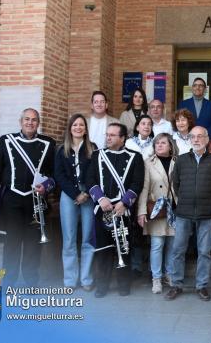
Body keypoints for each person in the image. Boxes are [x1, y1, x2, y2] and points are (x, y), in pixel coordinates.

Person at [0, 108, 56, 286]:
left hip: (35, 200)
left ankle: (31, 281)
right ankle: (8, 282)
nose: (30, 123)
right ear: (21, 121)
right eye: (27, 119)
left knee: (33, 244)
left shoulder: (48, 143)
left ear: (38, 123)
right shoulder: (6, 141)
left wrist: (46, 186)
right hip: (12, 200)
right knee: (12, 242)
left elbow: (54, 174)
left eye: (34, 120)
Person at [165, 126, 211, 302]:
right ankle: (176, 285)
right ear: (190, 140)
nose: (197, 139)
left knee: (204, 252)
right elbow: (175, 185)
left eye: (201, 136)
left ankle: (201, 286)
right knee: (178, 250)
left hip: (206, 213)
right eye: (193, 137)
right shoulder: (181, 160)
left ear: (207, 139)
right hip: (184, 212)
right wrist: (185, 199)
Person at [86, 123, 145, 298]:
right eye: (107, 134)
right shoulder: (97, 155)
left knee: (124, 249)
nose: (108, 137)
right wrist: (100, 198)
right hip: (102, 209)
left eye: (112, 135)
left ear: (122, 138)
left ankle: (123, 284)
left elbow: (137, 183)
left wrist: (125, 202)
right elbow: (90, 179)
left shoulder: (135, 157)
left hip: (122, 210)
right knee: (102, 250)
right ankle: (102, 285)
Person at [54, 114, 97, 290]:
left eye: (81, 125)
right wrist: (75, 194)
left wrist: (85, 192)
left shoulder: (93, 148)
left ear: (85, 129)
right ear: (70, 128)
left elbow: (95, 172)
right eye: (75, 125)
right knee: (69, 239)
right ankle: (70, 280)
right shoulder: (61, 150)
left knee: (88, 237)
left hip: (88, 195)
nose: (78, 127)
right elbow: (59, 175)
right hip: (68, 195)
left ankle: (86, 279)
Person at [137, 133, 178, 294]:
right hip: (156, 210)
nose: (159, 145)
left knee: (172, 245)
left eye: (163, 143)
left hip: (175, 209)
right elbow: (144, 189)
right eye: (156, 143)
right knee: (157, 245)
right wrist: (141, 211)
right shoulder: (148, 163)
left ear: (170, 146)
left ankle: (169, 273)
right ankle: (156, 278)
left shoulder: (179, 162)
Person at [124, 114, 154, 278]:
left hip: (150, 189)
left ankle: (151, 267)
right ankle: (135, 266)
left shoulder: (155, 144)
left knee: (148, 228)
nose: (146, 126)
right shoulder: (128, 143)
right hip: (132, 188)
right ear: (137, 127)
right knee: (134, 229)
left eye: (149, 124)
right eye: (143, 123)